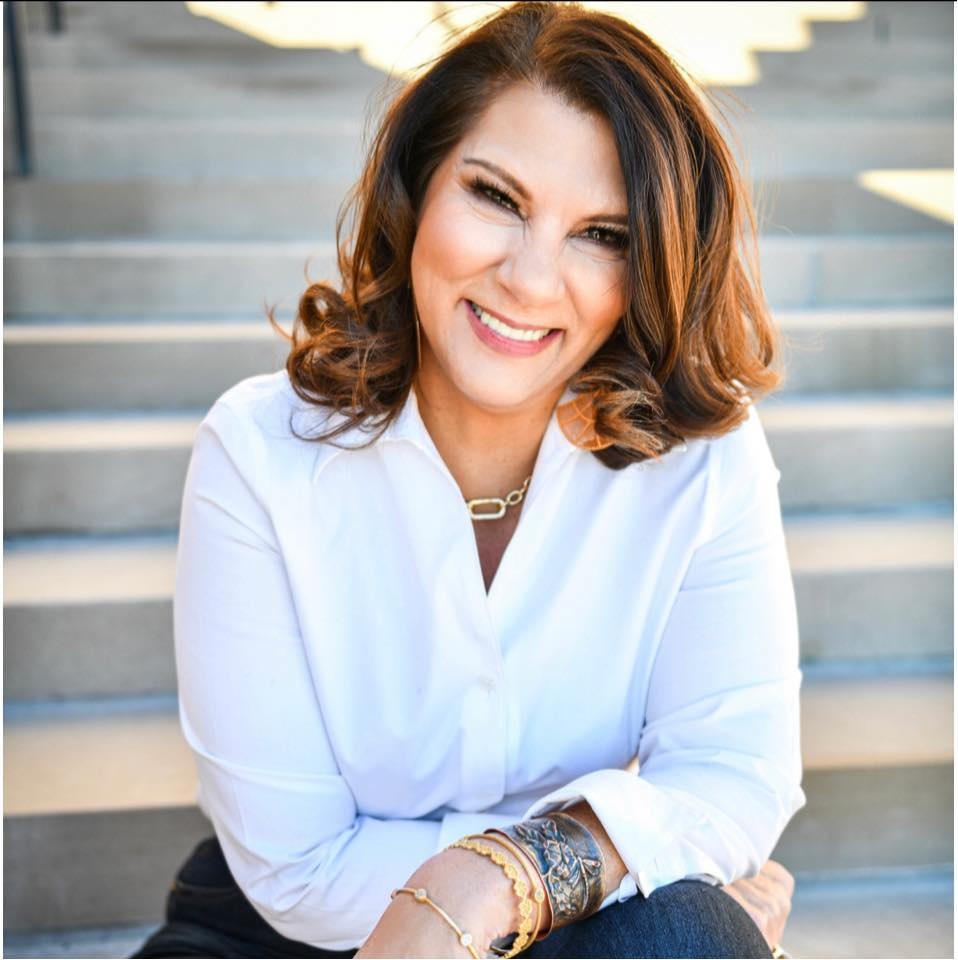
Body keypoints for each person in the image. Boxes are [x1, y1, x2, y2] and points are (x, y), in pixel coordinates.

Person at [135, 2, 804, 957]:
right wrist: (626, 844)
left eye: (603, 235)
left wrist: (511, 877)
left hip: (580, 917)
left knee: (682, 936)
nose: (532, 281)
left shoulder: (701, 459)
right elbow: (303, 871)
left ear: (650, 266)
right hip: (304, 940)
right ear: (418, 190)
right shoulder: (262, 452)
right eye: (496, 196)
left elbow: (737, 775)